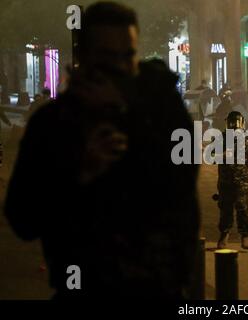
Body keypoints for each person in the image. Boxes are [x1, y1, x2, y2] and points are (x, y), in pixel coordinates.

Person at [5, 1, 200, 299]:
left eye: (128, 56)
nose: (121, 67)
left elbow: (181, 184)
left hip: (156, 289)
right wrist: (77, 172)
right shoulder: (53, 123)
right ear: (84, 56)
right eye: (108, 57)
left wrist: (129, 115)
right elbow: (22, 219)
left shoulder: (162, 113)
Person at [216, 111, 248, 250]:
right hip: (226, 180)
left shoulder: (247, 138)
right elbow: (211, 156)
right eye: (233, 122)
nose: (235, 126)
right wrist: (224, 154)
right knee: (226, 209)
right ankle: (224, 235)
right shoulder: (221, 138)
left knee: (243, 208)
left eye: (237, 122)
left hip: (242, 180)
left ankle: (245, 236)